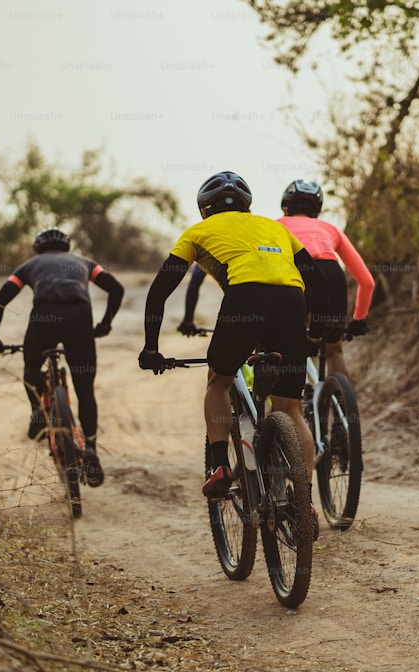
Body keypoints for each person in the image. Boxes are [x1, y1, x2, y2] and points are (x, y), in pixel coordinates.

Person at [138, 170, 329, 539]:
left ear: (204, 209)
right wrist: (314, 336)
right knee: (291, 409)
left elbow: (159, 291)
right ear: (247, 206)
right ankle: (304, 504)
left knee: (219, 380)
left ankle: (219, 467)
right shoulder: (274, 228)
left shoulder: (197, 232)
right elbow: (319, 284)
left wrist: (151, 348)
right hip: (292, 303)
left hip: (245, 300)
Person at [0, 227, 124, 488]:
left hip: (44, 317)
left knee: (31, 365)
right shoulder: (84, 263)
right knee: (85, 390)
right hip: (79, 318)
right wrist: (105, 324)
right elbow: (116, 288)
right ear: (67, 247)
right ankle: (90, 448)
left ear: (38, 248)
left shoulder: (29, 265)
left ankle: (38, 412)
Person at [277, 179, 375, 378]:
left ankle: (288, 394)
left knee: (285, 343)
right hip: (331, 275)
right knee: (333, 349)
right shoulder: (330, 229)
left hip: (295, 272)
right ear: (317, 211)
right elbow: (367, 282)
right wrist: (359, 319)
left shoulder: (276, 225)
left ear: (286, 208)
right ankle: (340, 397)